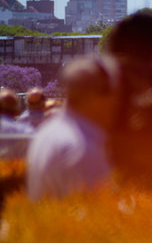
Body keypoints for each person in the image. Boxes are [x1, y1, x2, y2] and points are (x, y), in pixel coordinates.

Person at [26, 56, 120, 201]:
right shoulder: (84, 149)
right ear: (99, 95)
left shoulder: (47, 133)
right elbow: (96, 214)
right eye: (115, 93)